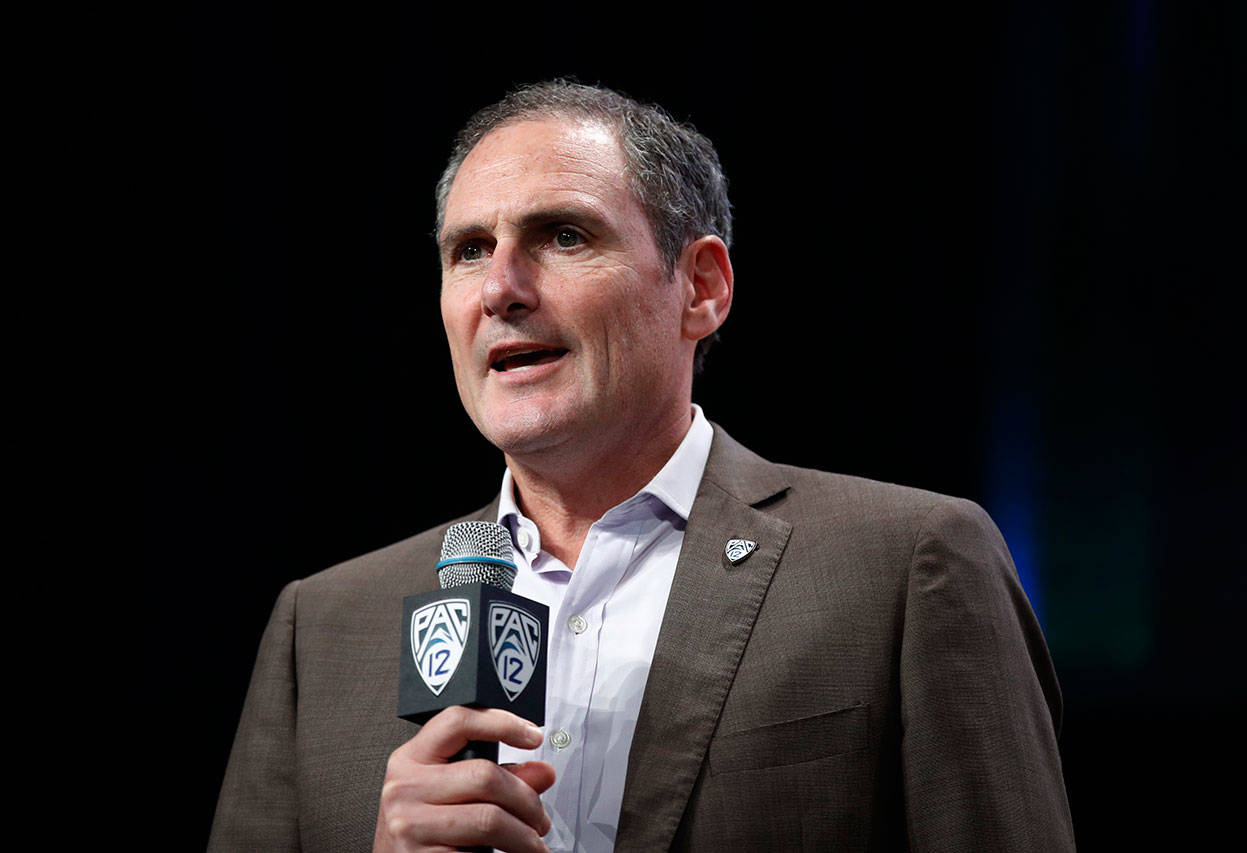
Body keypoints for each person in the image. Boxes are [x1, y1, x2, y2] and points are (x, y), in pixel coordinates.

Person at [210, 81, 1075, 852]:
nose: (500, 288)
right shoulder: (322, 627)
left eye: (563, 234)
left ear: (700, 286)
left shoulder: (904, 565)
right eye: (468, 250)